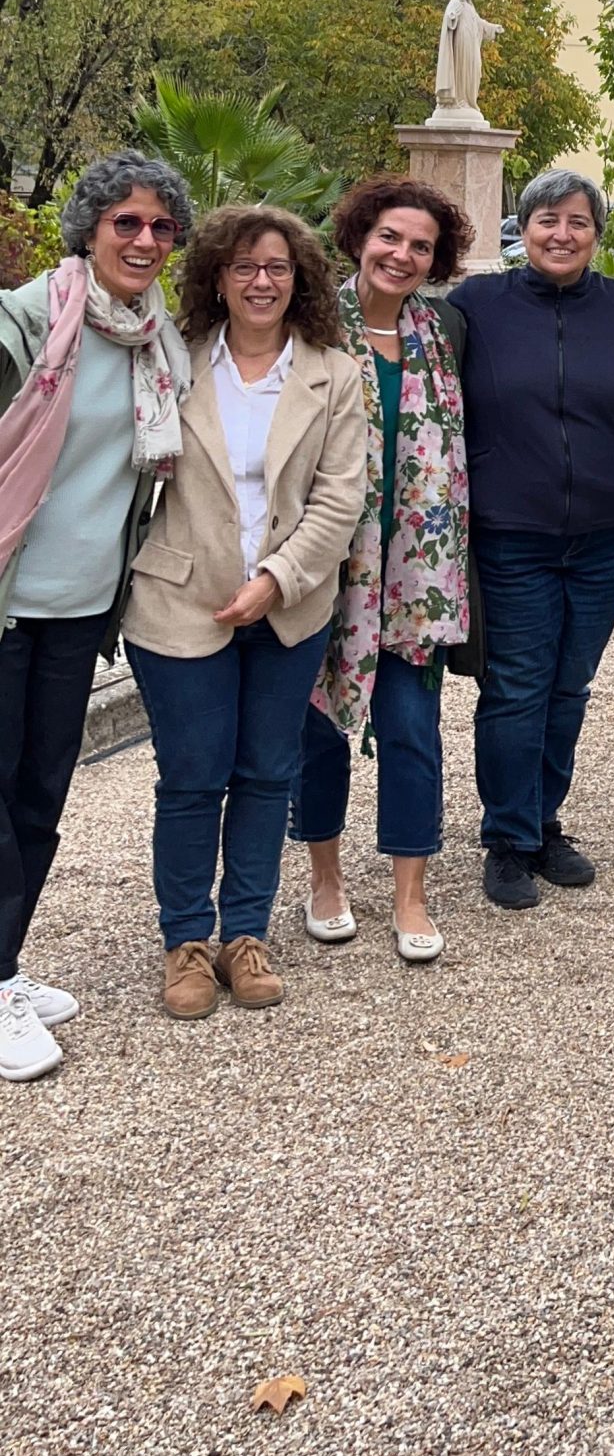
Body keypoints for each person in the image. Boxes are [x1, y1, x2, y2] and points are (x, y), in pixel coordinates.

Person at [120, 207, 365, 1019]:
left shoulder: (333, 373)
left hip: (288, 608)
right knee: (192, 778)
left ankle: (245, 934)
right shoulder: (174, 362)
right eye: (245, 267)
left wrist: (275, 579)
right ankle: (187, 942)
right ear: (217, 278)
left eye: (279, 269)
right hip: (179, 597)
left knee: (267, 774)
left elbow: (340, 501)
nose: (262, 282)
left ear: (301, 280)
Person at [0, 153, 192, 1081]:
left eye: (161, 227)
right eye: (128, 222)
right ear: (89, 228)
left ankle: (2, 963)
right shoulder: (30, 320)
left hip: (79, 608)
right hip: (4, 600)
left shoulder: (158, 345)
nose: (146, 241)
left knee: (39, 795)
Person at [452, 171, 614, 910]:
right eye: (545, 220)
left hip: (603, 534)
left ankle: (543, 821)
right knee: (514, 688)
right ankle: (507, 838)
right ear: (522, 230)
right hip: (513, 531)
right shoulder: (479, 306)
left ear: (597, 235)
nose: (561, 234)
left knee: (570, 684)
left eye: (577, 221)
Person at [294, 177, 474, 966]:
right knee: (319, 727)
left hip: (416, 573)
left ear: (436, 262)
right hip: (323, 563)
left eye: (421, 246)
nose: (402, 255)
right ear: (360, 237)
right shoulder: (310, 327)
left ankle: (410, 892)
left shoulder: (442, 331)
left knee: (411, 731)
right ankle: (325, 880)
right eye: (390, 238)